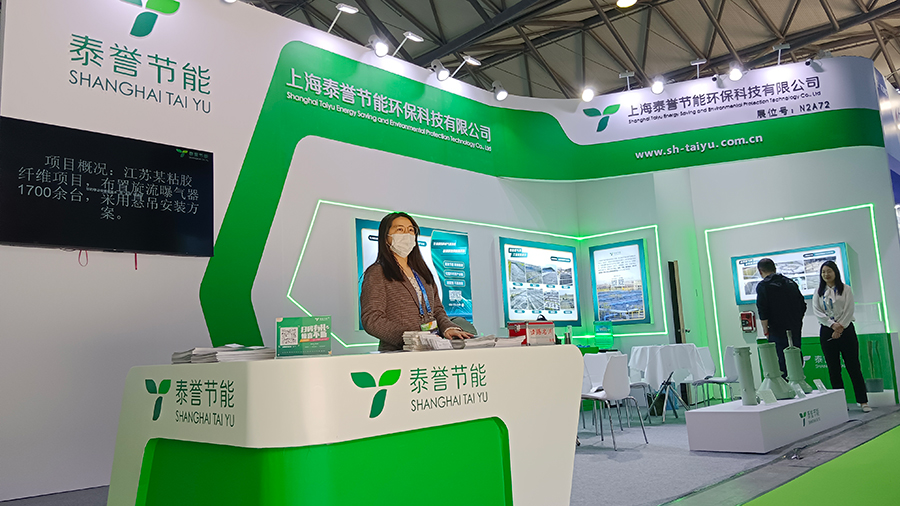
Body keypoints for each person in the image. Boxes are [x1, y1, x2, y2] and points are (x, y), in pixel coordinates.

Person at [360, 212, 473, 351]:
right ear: (386, 237)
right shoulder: (377, 272)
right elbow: (372, 319)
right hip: (400, 352)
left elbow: (437, 309)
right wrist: (410, 337)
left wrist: (448, 328)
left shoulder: (423, 272)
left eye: (411, 230)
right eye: (400, 229)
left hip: (432, 348)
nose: (407, 234)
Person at [812, 261, 870, 412]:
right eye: (823, 272)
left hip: (846, 329)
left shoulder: (846, 289)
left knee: (853, 366)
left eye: (829, 271)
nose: (826, 274)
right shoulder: (818, 291)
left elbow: (849, 309)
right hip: (827, 330)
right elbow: (817, 312)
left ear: (835, 272)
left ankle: (863, 401)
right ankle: (841, 403)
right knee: (833, 368)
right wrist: (832, 325)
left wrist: (840, 327)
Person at [755, 257, 806, 377]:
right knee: (795, 358)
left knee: (781, 362)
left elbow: (763, 310)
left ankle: (786, 386)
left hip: (776, 330)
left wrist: (765, 330)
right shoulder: (790, 283)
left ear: (760, 271)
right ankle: (799, 383)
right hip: (794, 328)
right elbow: (802, 305)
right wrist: (796, 321)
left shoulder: (763, 286)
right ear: (775, 268)